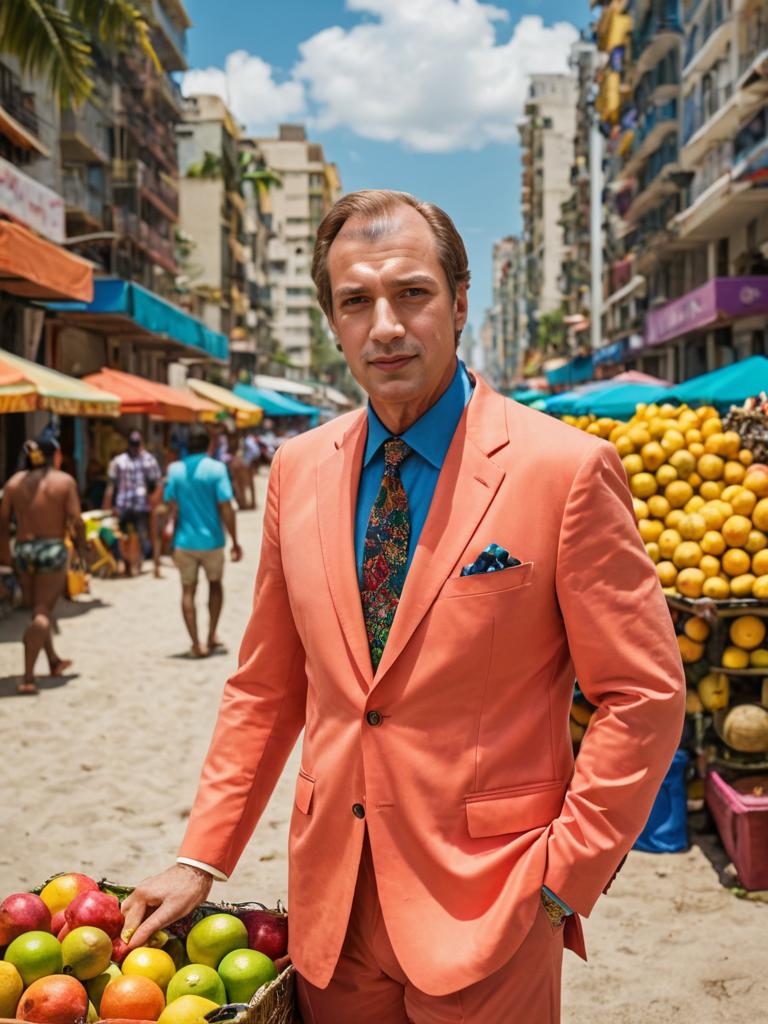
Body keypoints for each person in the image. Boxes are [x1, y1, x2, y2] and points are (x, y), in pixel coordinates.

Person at [121, 190, 685, 1023]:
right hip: (331, 910)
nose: (385, 325)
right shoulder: (298, 469)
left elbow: (642, 694)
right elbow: (266, 688)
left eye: (411, 294)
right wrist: (200, 855)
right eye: (356, 302)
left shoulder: (564, 469)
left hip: (496, 907)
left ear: (460, 304)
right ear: (335, 324)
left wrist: (563, 882)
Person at [0, 436, 85, 694]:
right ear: (54, 455)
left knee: (38, 609)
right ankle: (28, 677)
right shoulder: (63, 481)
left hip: (24, 550)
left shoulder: (14, 483)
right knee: (42, 613)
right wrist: (81, 548)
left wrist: (5, 554)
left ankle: (53, 660)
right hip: (52, 549)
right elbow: (76, 519)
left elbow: (3, 523)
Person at [162, 425, 242, 658]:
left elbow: (170, 503)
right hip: (212, 541)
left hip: (184, 542)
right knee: (215, 585)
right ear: (210, 444)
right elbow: (226, 507)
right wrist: (235, 541)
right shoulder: (217, 469)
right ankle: (211, 635)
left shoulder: (175, 470)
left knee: (188, 591)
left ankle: (196, 643)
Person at [104, 431, 161, 576]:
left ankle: (140, 563)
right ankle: (127, 564)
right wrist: (107, 507)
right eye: (132, 444)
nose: (134, 447)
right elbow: (111, 485)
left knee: (143, 537)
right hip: (123, 504)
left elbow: (157, 484)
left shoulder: (149, 460)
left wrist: (154, 500)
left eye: (137, 444)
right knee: (122, 536)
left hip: (142, 505)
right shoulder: (118, 461)